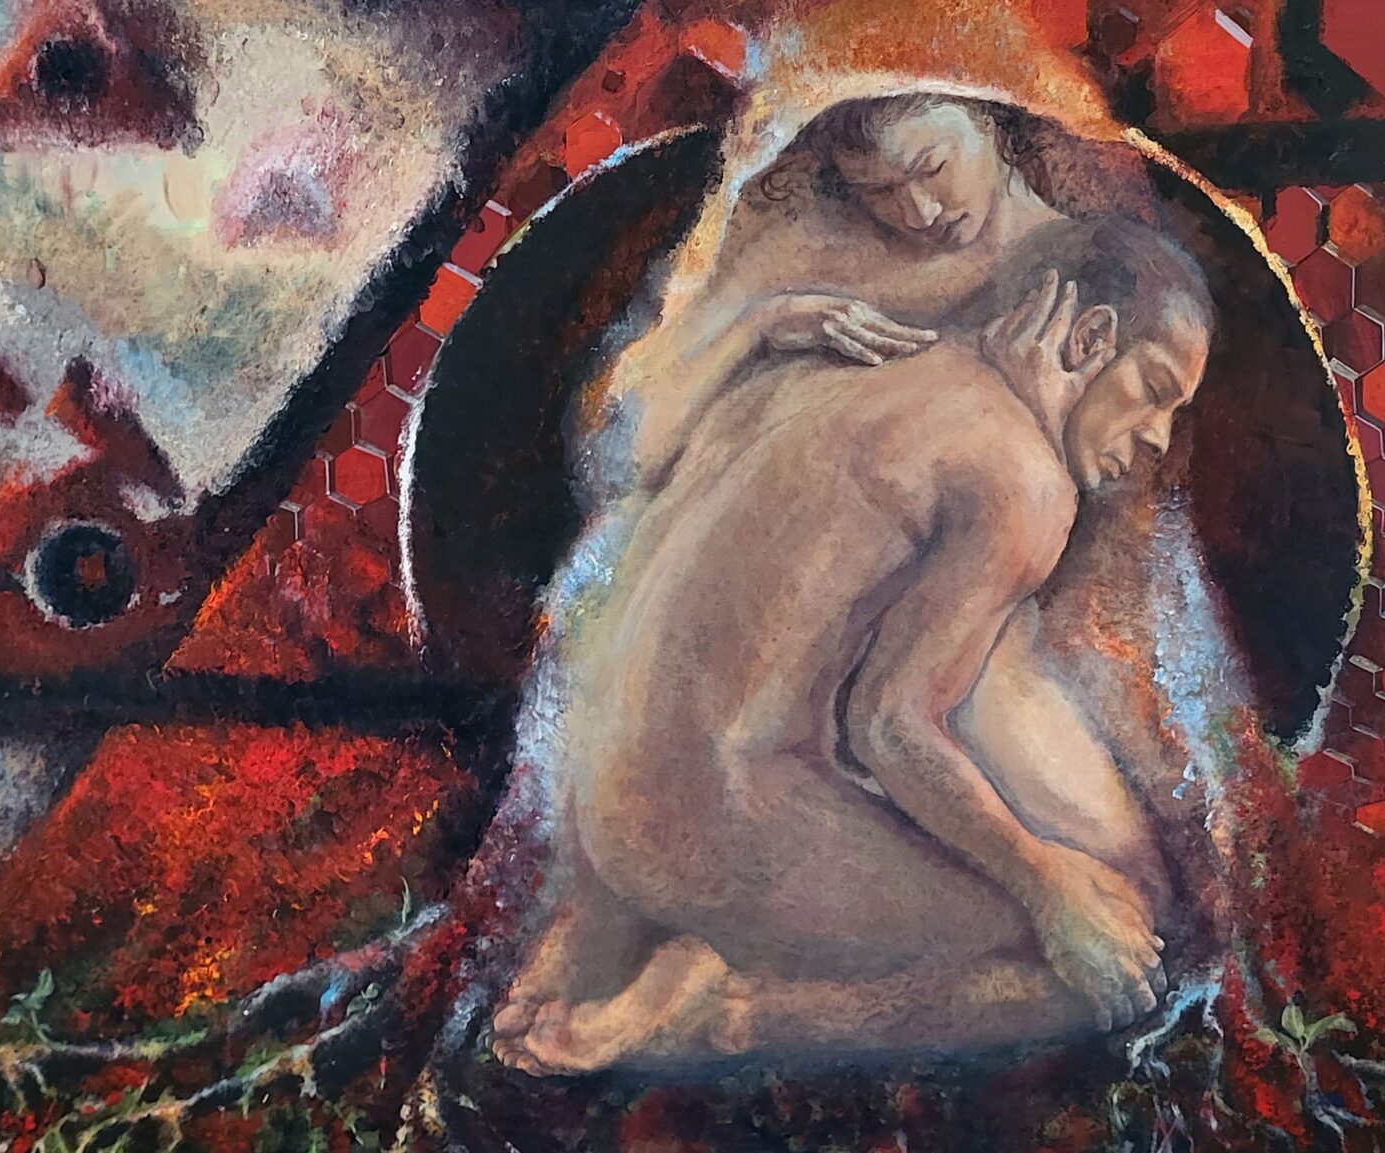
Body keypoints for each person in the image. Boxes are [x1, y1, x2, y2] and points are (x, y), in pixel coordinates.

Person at [491, 214, 1215, 1075]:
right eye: (1156, 389)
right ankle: (718, 1012)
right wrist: (1046, 884)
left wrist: (594, 904)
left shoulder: (832, 369)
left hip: (604, 802)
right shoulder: (1023, 476)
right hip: (706, 827)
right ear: (1090, 338)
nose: (1158, 436)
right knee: (1097, 954)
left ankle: (607, 934)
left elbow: (643, 608)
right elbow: (890, 725)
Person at [618, 90, 1078, 494]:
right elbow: (633, 451)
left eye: (931, 168)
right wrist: (762, 324)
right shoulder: (806, 249)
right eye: (878, 191)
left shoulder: (1078, 260)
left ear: (988, 119)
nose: (918, 214)